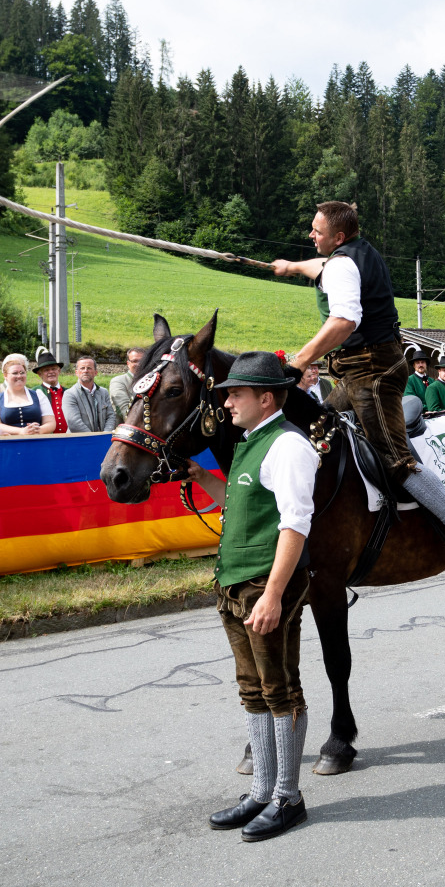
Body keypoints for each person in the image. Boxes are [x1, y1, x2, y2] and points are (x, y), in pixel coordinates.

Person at [272, 200, 445, 583]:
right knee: (320, 426)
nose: (311, 235)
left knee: (394, 460)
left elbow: (344, 320)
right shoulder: (352, 254)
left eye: (317, 231)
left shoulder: (341, 265)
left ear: (338, 236)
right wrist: (290, 267)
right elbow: (320, 266)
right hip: (359, 371)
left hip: (371, 373)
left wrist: (299, 362)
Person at [184, 351, 318, 842]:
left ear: (266, 399)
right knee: (252, 688)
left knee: (280, 689)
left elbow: (295, 524)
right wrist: (202, 479)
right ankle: (262, 791)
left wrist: (274, 594)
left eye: (235, 394)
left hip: (265, 584)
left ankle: (288, 797)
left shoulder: (288, 445)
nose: (226, 403)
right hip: (236, 583)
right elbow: (242, 504)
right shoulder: (251, 442)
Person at [0, 353, 56, 436]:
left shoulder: (38, 395)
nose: (19, 376)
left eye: (22, 372)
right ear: (5, 375)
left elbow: (51, 423)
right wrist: (21, 431)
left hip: (36, 441)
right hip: (7, 442)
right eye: (15, 373)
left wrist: (38, 430)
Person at [63, 355, 116, 433]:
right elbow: (74, 423)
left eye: (89, 368)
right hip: (80, 439)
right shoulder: (69, 394)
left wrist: (105, 434)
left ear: (95, 372)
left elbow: (111, 416)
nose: (85, 371)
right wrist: (93, 438)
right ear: (76, 372)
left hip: (103, 438)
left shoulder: (104, 392)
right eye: (82, 368)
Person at [31, 347, 71, 434]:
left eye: (53, 369)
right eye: (46, 370)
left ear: (59, 371)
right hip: (46, 437)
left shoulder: (68, 392)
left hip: (68, 437)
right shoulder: (34, 392)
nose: (51, 372)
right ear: (40, 374)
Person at [110, 347, 146, 424]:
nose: (139, 364)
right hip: (126, 427)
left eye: (142, 361)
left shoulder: (151, 381)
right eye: (134, 361)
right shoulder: (118, 381)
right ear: (128, 363)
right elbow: (124, 409)